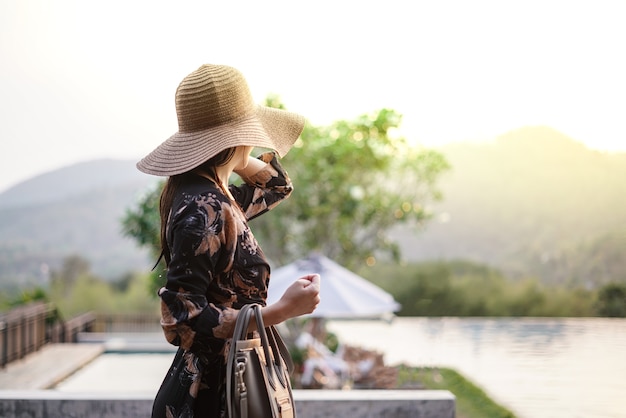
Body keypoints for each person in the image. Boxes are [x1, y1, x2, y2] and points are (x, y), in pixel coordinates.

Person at [137, 64, 321, 418]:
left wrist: (232, 155)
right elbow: (181, 320)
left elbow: (277, 186)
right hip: (214, 395)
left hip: (228, 381)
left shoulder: (213, 198)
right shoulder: (205, 210)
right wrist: (281, 312)